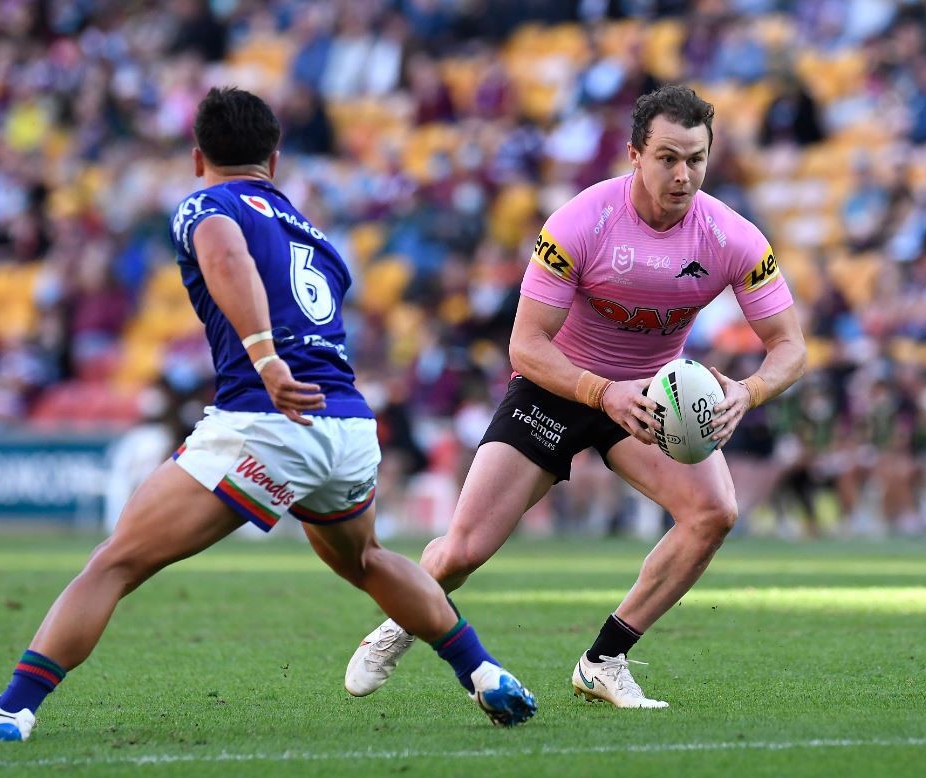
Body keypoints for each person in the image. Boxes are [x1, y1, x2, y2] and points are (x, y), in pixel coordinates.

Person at [0, 87, 536, 741]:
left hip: (267, 418)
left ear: (197, 157)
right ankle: (484, 672)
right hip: (348, 426)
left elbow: (225, 254)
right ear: (274, 159)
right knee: (367, 561)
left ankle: (12, 708)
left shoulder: (205, 204)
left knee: (115, 562)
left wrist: (267, 361)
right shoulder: (317, 236)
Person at [345, 85, 806, 708]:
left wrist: (747, 392)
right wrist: (600, 390)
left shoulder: (732, 236)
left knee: (713, 513)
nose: (683, 174)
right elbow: (526, 345)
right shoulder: (578, 222)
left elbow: (790, 347)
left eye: (695, 159)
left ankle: (605, 660)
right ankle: (404, 620)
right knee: (463, 551)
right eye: (668, 157)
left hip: (650, 400)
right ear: (634, 155)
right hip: (559, 387)